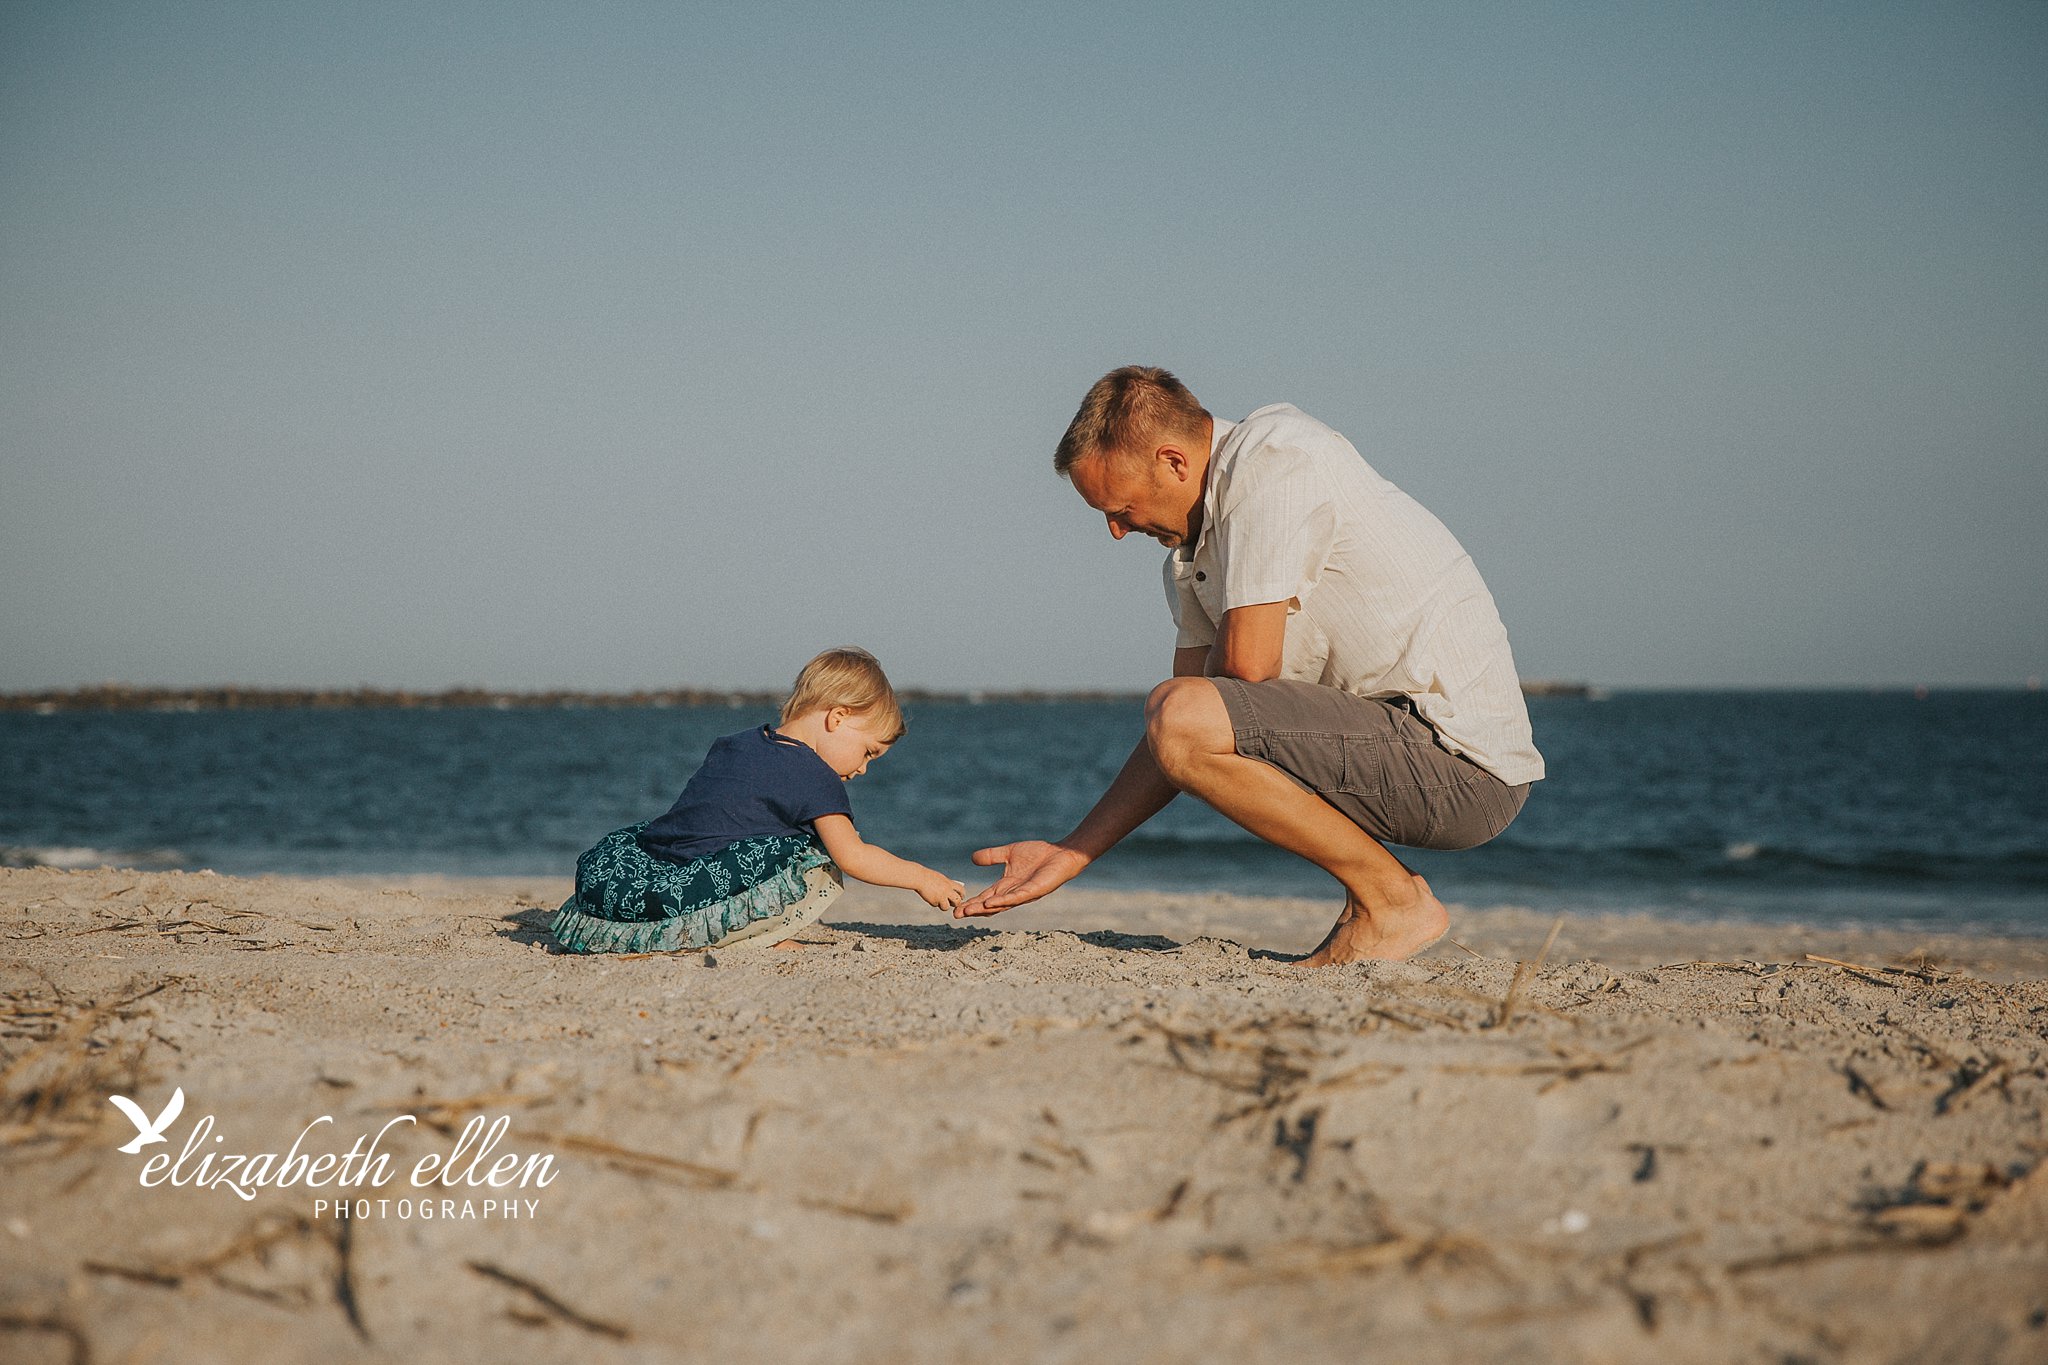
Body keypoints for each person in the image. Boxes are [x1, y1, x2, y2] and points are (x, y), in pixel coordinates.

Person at [957, 366, 1544, 964]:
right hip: (1391, 748)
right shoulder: (1192, 552)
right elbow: (1178, 733)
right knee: (1182, 712)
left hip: (1462, 768)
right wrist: (1072, 852)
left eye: (1122, 507)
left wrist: (1193, 707)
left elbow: (1243, 670)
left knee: (1186, 707)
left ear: (1174, 462)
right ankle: (1377, 903)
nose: (1114, 531)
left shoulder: (1272, 459)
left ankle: (1392, 904)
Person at [550, 647, 964, 954]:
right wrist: (922, 877)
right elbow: (853, 857)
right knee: (817, 855)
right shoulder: (815, 777)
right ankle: (751, 934)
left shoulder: (738, 742)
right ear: (838, 718)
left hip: (653, 870)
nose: (862, 770)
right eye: (869, 752)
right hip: (696, 895)